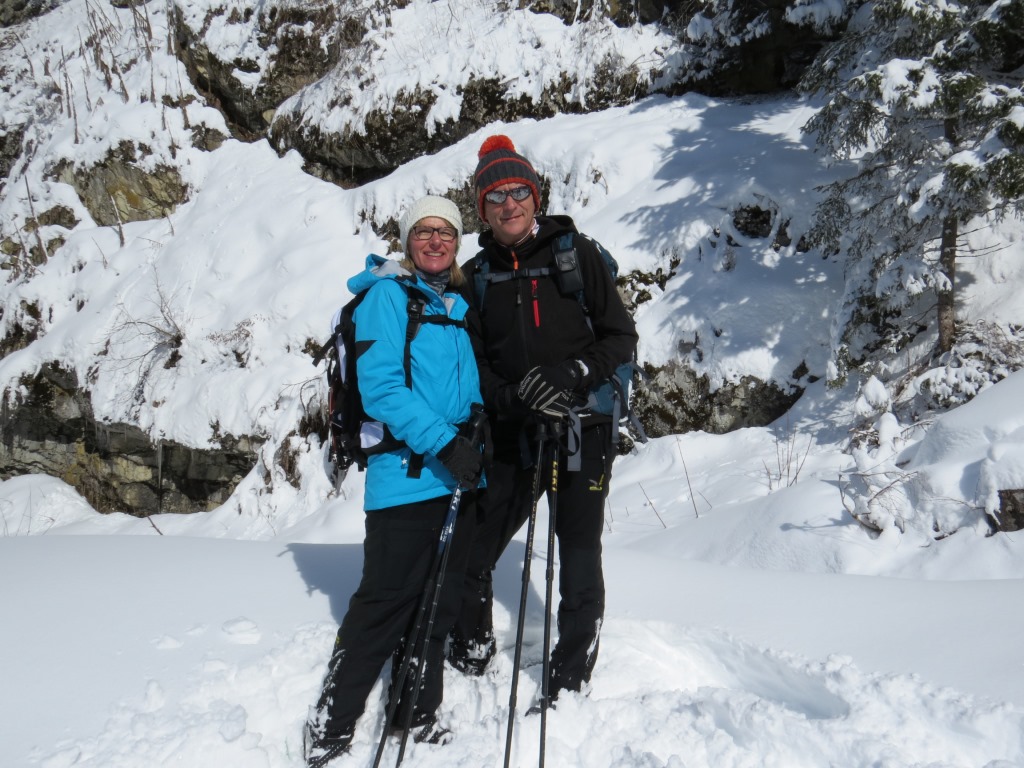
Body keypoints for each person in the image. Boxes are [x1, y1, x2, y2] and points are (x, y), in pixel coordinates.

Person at [450, 136, 639, 705]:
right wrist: (511, 398)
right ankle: (470, 653)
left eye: (518, 192)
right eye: (495, 196)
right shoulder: (476, 276)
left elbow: (620, 337)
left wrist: (573, 372)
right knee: (473, 547)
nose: (508, 204)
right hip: (514, 432)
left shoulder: (576, 254)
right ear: (482, 210)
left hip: (582, 427)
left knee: (577, 552)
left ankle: (570, 674)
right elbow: (476, 366)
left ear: (535, 197)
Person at [304, 195, 485, 767]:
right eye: (424, 231)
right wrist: (446, 443)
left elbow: (459, 387)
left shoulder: (452, 304)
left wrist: (475, 424)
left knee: (438, 604)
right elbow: (381, 389)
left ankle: (416, 713)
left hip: (453, 477)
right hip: (406, 478)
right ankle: (331, 725)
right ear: (407, 241)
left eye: (446, 232)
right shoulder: (387, 297)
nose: (435, 240)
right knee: (383, 606)